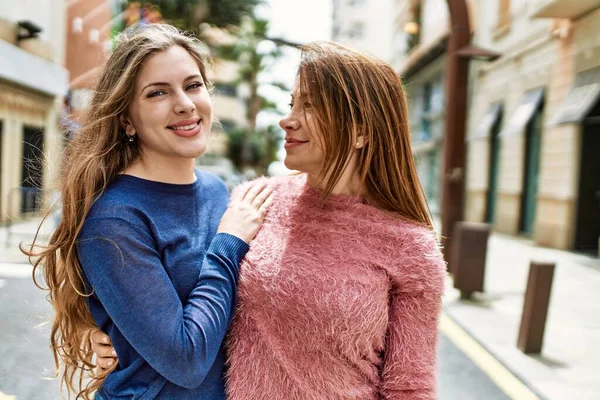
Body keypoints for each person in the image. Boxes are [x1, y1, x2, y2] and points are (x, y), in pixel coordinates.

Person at [93, 41, 447, 399]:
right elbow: (176, 302)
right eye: (293, 102)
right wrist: (107, 332)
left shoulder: (411, 248)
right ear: (127, 119)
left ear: (361, 130)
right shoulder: (256, 200)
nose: (286, 119)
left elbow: (409, 386)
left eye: (311, 105)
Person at [23, 24, 272, 400]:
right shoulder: (115, 218)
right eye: (158, 92)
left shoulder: (216, 191)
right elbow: (185, 360)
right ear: (127, 120)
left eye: (193, 85)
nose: (185, 104)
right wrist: (228, 244)